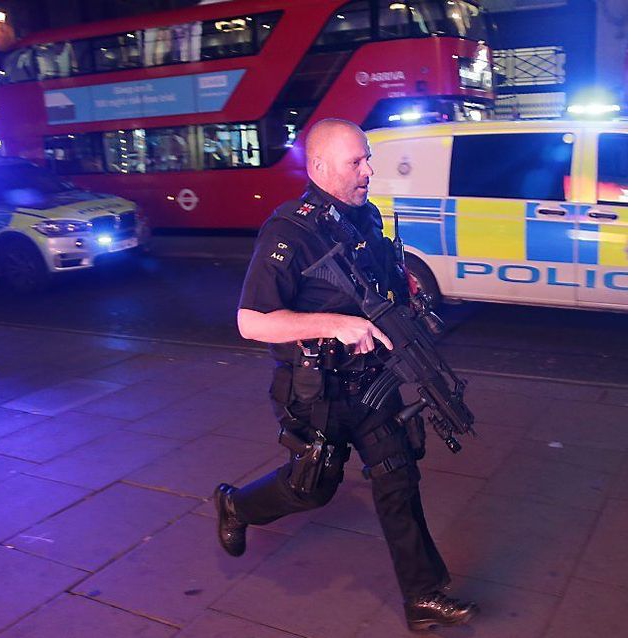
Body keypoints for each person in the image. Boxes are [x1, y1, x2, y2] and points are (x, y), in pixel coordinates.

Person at [214, 118, 478, 631]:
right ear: (318, 167)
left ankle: (422, 596)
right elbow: (251, 322)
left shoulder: (365, 219)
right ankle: (236, 507)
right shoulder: (288, 231)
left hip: (371, 384)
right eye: (356, 161)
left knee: (398, 478)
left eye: (368, 158)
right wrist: (336, 324)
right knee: (310, 488)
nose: (369, 170)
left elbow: (378, 292)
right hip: (319, 391)